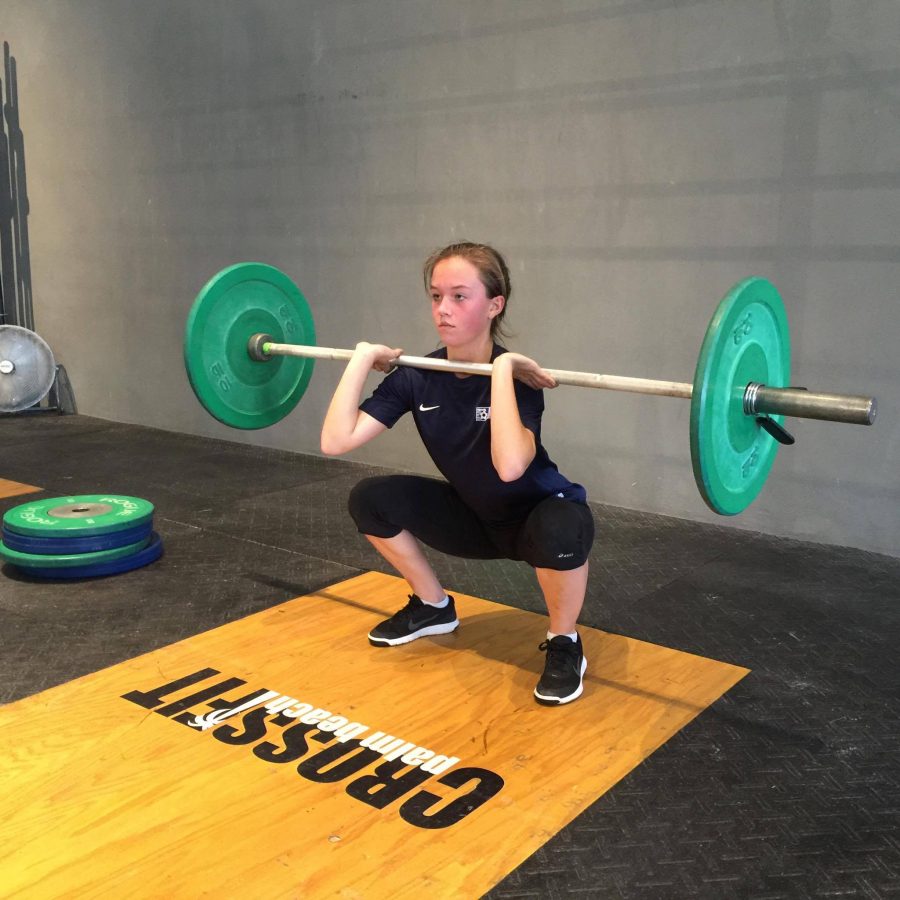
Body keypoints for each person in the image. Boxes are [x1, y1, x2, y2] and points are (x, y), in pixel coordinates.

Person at [320, 241, 594, 705]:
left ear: (494, 304)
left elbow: (510, 467)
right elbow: (335, 441)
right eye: (435, 296)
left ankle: (566, 642)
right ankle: (433, 607)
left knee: (563, 528)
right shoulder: (416, 376)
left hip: (537, 519)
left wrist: (503, 369)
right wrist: (362, 358)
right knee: (370, 499)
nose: (443, 310)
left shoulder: (520, 381)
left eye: (459, 296)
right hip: (476, 518)